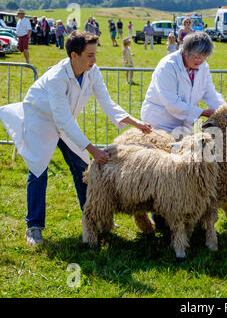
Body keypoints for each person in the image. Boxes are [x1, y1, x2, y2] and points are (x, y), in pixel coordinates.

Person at [0, 30, 152, 246]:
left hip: (65, 123)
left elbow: (107, 103)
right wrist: (92, 149)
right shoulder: (56, 78)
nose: (94, 59)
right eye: (89, 55)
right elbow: (62, 120)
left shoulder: (92, 71)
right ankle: (34, 227)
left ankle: (92, 216)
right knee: (38, 170)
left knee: (82, 167)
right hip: (40, 120)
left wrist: (135, 122)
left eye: (94, 54)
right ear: (74, 55)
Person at [140, 31, 225, 229]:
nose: (199, 61)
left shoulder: (203, 68)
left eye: (203, 58)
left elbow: (209, 92)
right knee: (162, 169)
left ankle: (185, 215)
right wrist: (203, 112)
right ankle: (160, 217)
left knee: (182, 169)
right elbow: (171, 103)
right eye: (195, 56)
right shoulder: (167, 67)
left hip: (183, 124)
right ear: (184, 51)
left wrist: (223, 110)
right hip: (160, 121)